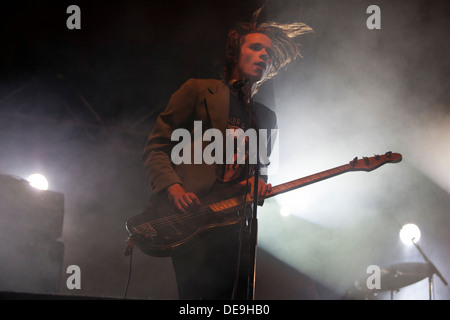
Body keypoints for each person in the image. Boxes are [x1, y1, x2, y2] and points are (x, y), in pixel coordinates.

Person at [142, 8, 312, 300]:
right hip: (189, 215)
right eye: (255, 47)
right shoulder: (197, 91)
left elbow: (257, 173)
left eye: (268, 52)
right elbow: (157, 147)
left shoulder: (265, 117)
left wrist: (255, 184)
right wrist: (174, 188)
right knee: (196, 298)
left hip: (232, 224)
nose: (263, 55)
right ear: (236, 52)